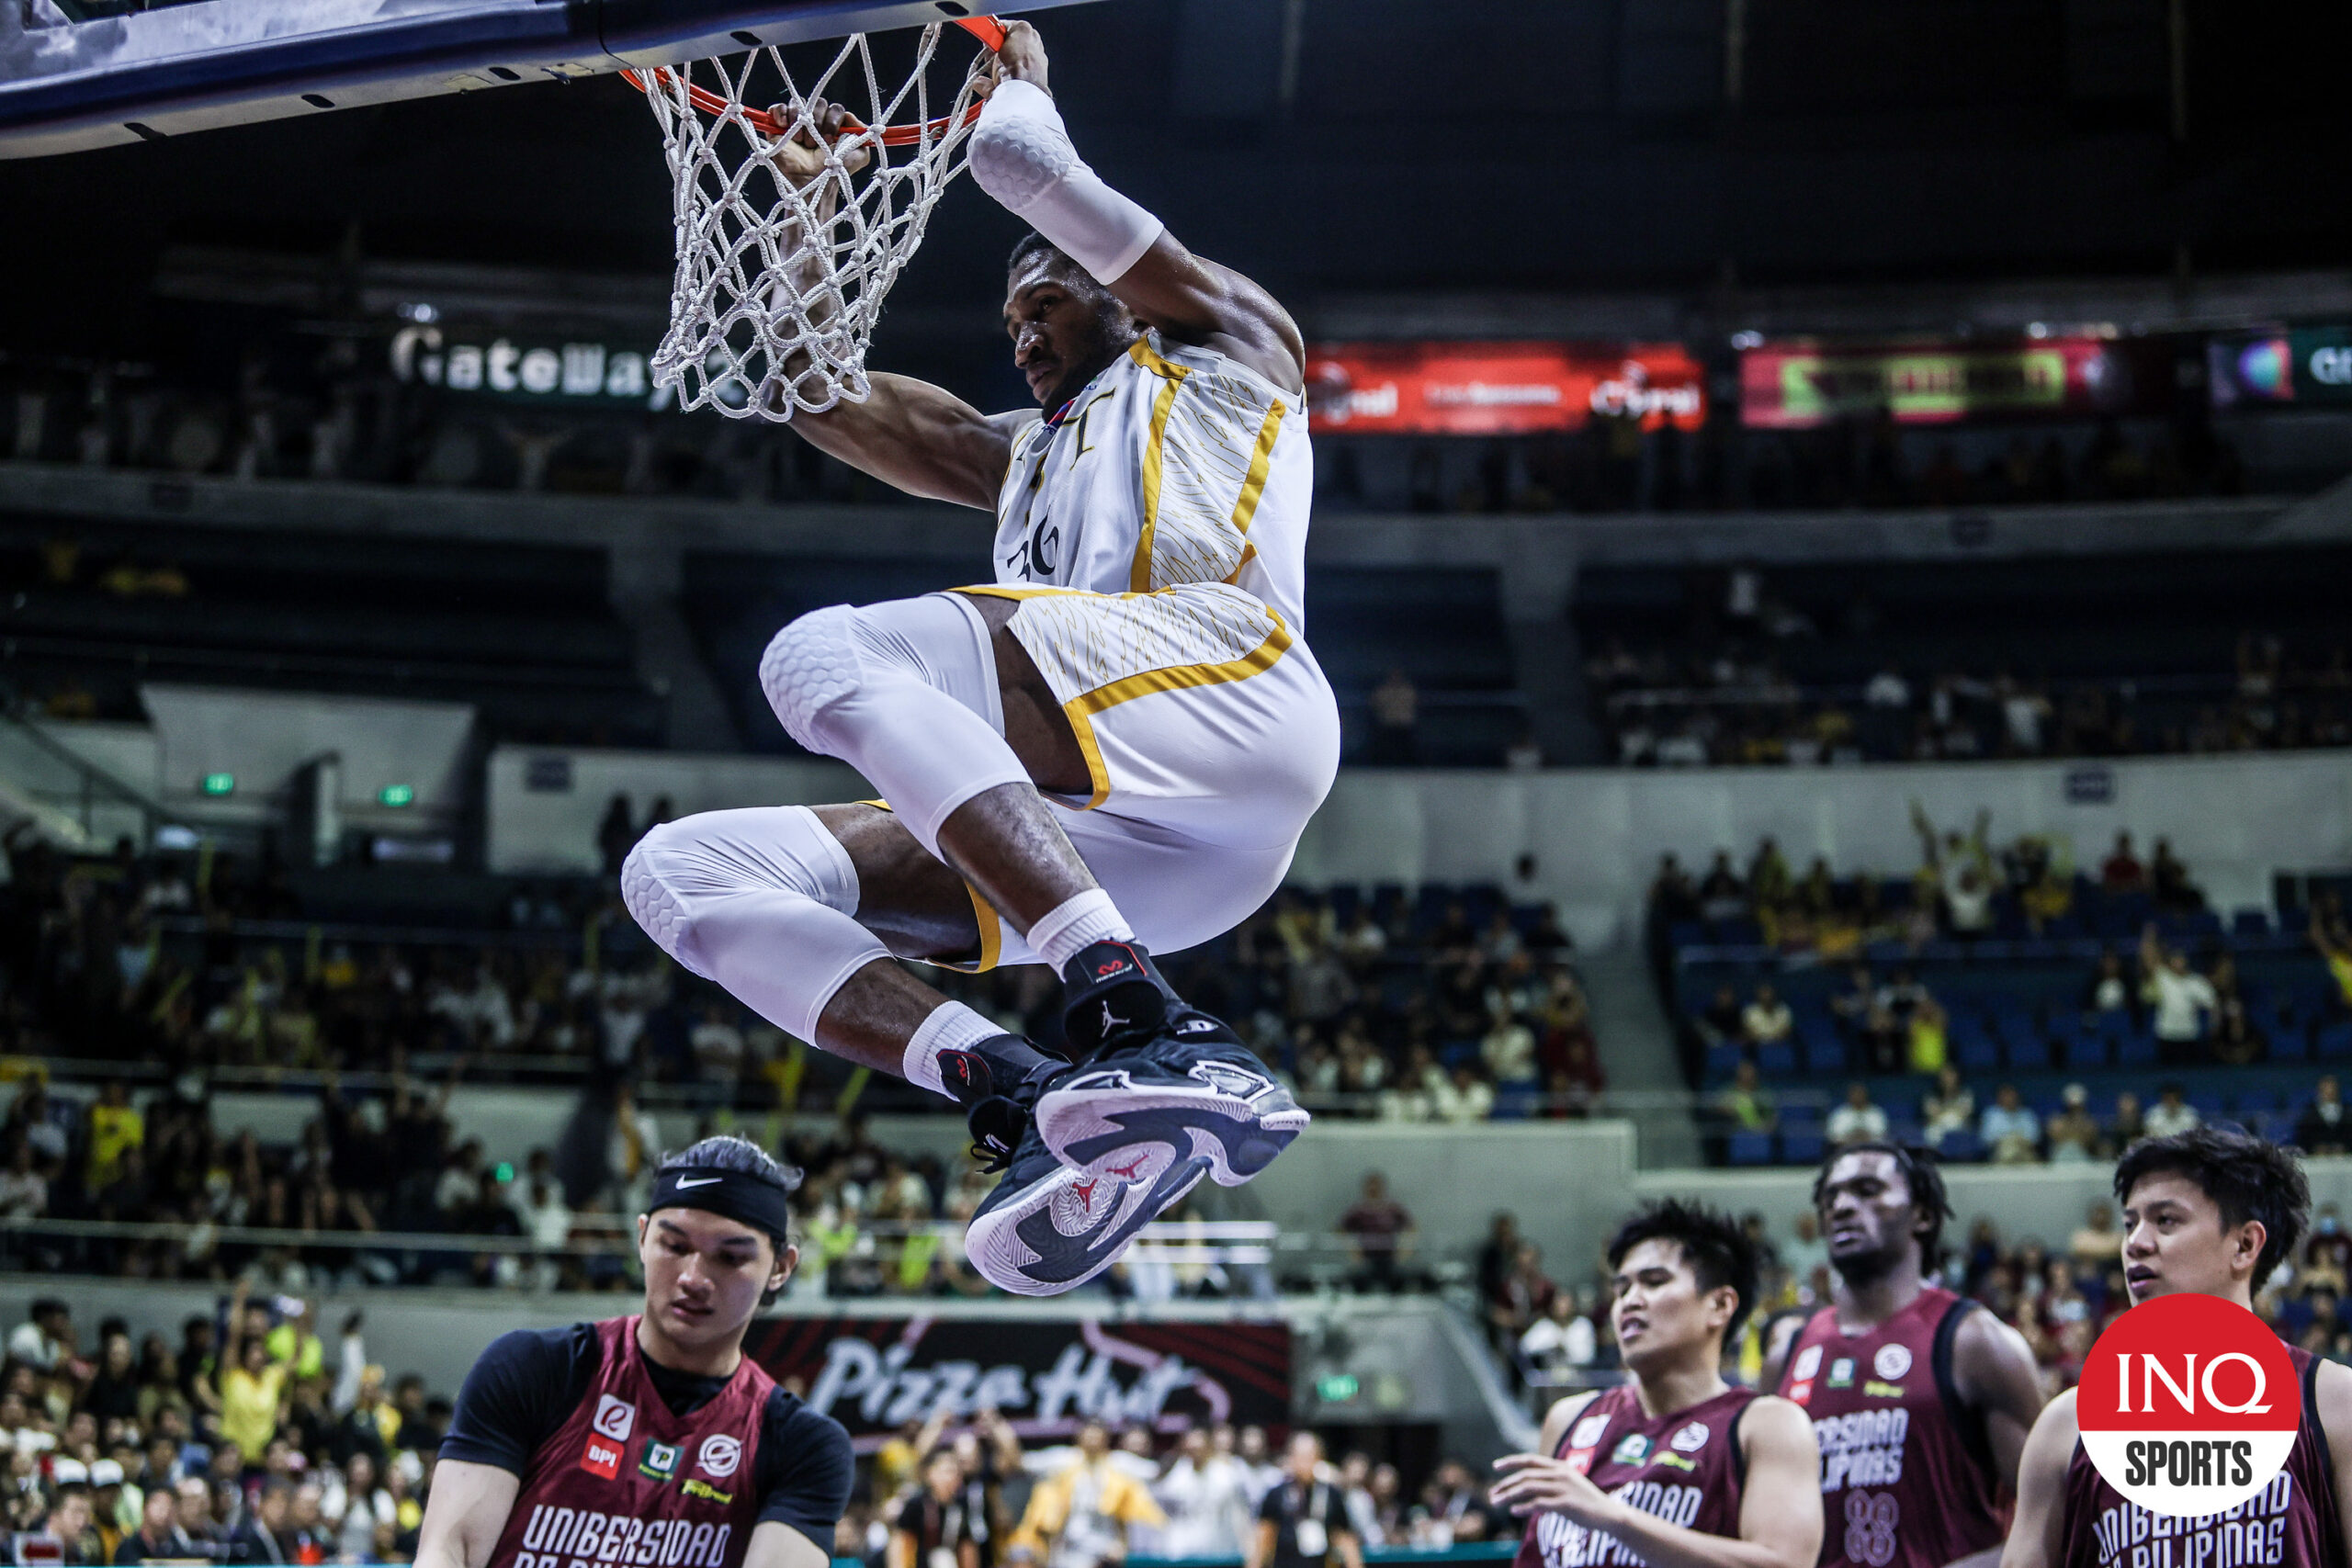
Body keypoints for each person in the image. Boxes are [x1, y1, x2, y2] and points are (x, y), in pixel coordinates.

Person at [617, 17, 1335, 1296]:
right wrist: (804, 208)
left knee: (818, 656)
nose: (1020, 332)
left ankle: (1137, 1012)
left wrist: (1017, 87)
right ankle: (1032, 1083)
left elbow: (1023, 167)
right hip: (1123, 848)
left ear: (1124, 289)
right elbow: (811, 385)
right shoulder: (1021, 455)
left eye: (1044, 300)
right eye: (1009, 316)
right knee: (683, 870)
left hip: (1228, 690)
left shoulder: (1234, 347)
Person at [414, 1135, 852, 1568]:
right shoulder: (534, 1369)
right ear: (642, 1238)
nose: (693, 1277)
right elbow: (449, 1553)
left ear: (780, 1267)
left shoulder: (800, 1445)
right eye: (675, 1246)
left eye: (730, 1257)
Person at [2001, 1127, 2352, 1568]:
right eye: (2130, 1224)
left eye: (2166, 1220)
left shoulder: (2335, 1402)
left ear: (2244, 1245)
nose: (2135, 1243)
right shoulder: (2064, 1427)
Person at [1490, 1200, 1822, 1568]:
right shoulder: (1569, 1419)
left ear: (1720, 1305)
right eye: (1621, 1290)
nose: (1630, 1301)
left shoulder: (1767, 1425)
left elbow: (1785, 1563)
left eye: (1654, 1282)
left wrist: (1618, 1519)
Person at [1762, 1144, 2044, 1568]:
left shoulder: (1974, 1342)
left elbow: (2055, 1521)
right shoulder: (1786, 1354)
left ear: (1922, 1215)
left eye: (1867, 1190)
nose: (1842, 1206)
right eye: (1831, 1198)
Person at [1008, 1420, 1163, 1568]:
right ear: (1079, 1435)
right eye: (1089, 1434)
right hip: (1068, 1551)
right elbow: (1019, 1462)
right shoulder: (1064, 1460)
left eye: (1097, 1435)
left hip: (1106, 1550)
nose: (1093, 1439)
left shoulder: (1118, 1463)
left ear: (1106, 1437)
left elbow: (1158, 1473)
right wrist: (1001, 1429)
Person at [1246, 1433, 1361, 1568]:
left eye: (1310, 1456)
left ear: (1319, 1458)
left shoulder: (1331, 1495)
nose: (1305, 1462)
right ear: (1291, 1458)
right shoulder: (1276, 1494)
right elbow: (1262, 1541)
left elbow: (1346, 1541)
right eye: (1300, 1457)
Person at [892, 1450, 981, 1568]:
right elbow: (899, 1542)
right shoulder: (916, 1505)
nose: (951, 1478)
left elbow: (967, 1549)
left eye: (956, 1473)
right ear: (931, 1474)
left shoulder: (960, 1509)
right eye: (947, 1472)